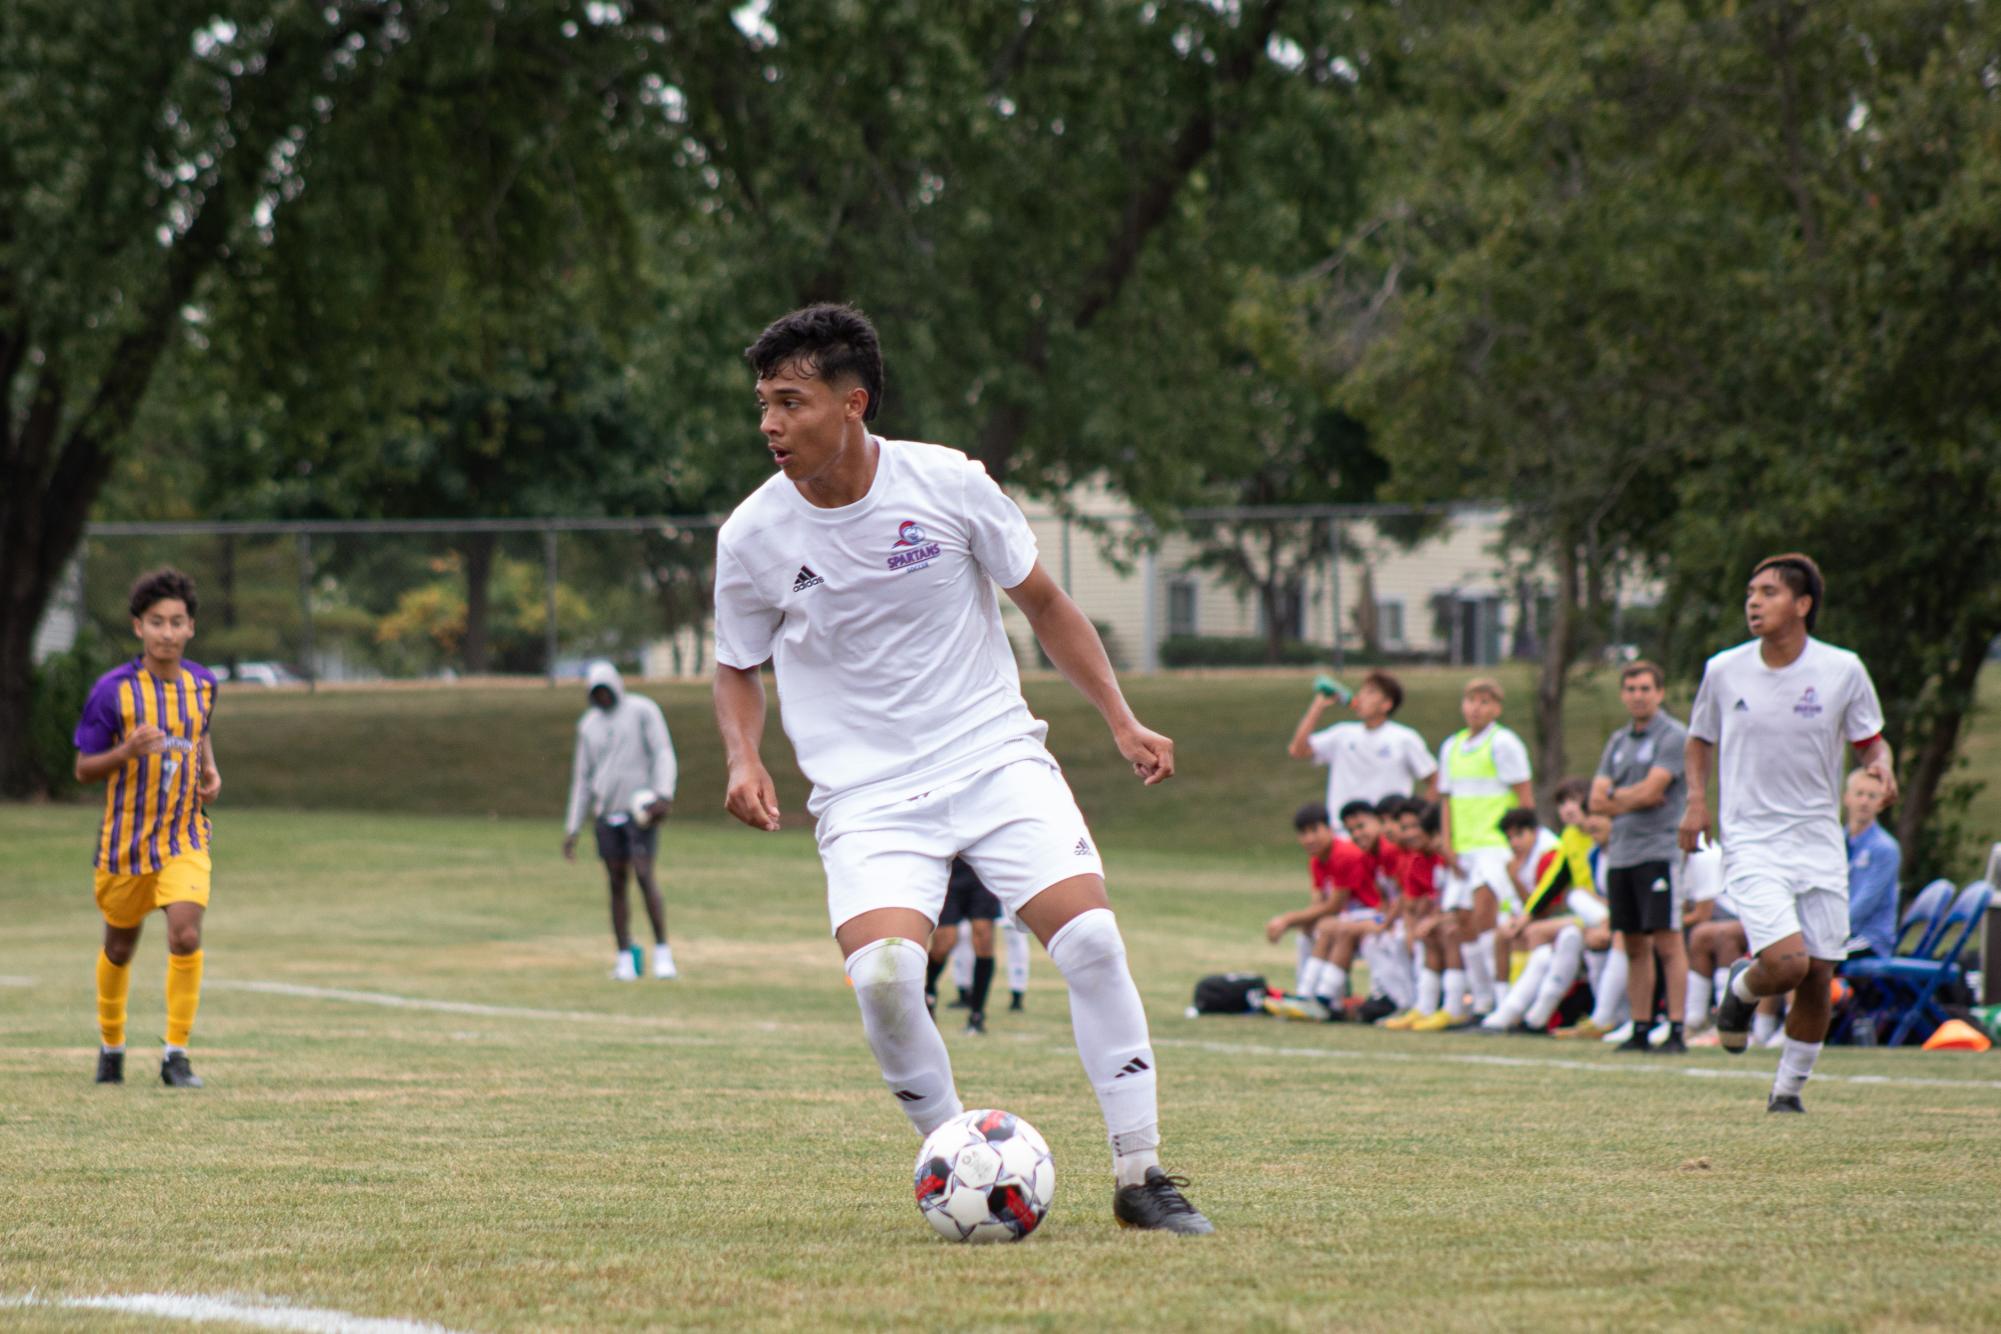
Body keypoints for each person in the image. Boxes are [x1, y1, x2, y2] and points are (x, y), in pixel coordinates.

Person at [711, 304, 1210, 1232]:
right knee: (889, 977)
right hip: (866, 797)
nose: (770, 424)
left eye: (791, 401)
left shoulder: (946, 482)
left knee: (1094, 943)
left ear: (852, 404)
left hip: (993, 757)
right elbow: (736, 663)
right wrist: (744, 757)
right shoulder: (751, 536)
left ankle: (1141, 1175)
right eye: (762, 404)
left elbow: (1047, 603)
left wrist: (1120, 720)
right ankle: (959, 1161)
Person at [1683, 553, 1895, 1113]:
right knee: (1786, 964)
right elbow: (1700, 738)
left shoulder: (1842, 669)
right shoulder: (1724, 669)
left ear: (1802, 605)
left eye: (1769, 592)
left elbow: (1869, 738)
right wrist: (1696, 802)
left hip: (1819, 840)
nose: (1754, 601)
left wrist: (1884, 765)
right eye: (1751, 591)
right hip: (1751, 836)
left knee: (1819, 971)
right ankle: (1744, 988)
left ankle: (1787, 1093)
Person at [72, 569, 222, 1089]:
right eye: (156, 622)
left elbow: (199, 731)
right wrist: (125, 751)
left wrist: (209, 767)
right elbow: (83, 768)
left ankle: (175, 1056)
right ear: (138, 627)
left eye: (176, 622)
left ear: (191, 628)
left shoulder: (204, 684)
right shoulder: (112, 691)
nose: (166, 632)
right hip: (125, 845)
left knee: (184, 932)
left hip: (184, 836)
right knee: (119, 947)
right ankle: (111, 1046)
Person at [1416, 677, 1534, 1028]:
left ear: (1497, 708)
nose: (1476, 708)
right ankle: (1479, 1001)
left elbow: (1524, 798)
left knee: (1486, 920)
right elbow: (1447, 800)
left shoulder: (1505, 743)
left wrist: (1521, 844)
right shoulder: (1451, 745)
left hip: (1494, 847)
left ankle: (1499, 1003)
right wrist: (1448, 845)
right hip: (1465, 849)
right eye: (1471, 700)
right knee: (1463, 924)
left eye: (1485, 702)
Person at [1590, 661, 1691, 1054]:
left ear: (1659, 692)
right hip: (1622, 853)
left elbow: (1654, 792)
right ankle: (1641, 1025)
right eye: (1630, 688)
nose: (1637, 695)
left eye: (1645, 688)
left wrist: (1617, 798)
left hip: (1658, 851)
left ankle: (1678, 1027)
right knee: (1632, 944)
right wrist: (1624, 799)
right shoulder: (1617, 741)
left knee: (1667, 940)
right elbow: (1596, 799)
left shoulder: (1672, 735)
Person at [563, 660, 679, 980]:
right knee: (616, 883)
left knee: (644, 874)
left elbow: (662, 752)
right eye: (595, 693)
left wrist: (663, 794)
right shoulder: (588, 726)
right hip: (606, 813)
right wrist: (572, 827)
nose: (602, 697)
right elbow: (582, 779)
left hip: (639, 813)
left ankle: (663, 953)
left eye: (606, 691)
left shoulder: (642, 711)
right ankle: (624, 956)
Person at [1262, 803, 1377, 1018]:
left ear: (1329, 829)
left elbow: (1334, 905)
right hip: (1349, 916)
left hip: (1371, 912)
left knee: (1328, 927)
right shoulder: (1316, 861)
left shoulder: (1345, 853)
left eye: (1314, 830)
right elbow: (1318, 904)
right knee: (1309, 931)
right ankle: (1306, 995)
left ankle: (1323, 999)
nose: (1309, 839)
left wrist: (1286, 920)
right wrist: (1299, 922)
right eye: (1303, 833)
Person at [1287, 670, 1436, 817]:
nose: (1361, 696)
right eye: (1362, 691)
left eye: (1370, 692)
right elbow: (1297, 750)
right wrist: (1317, 707)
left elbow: (1435, 780)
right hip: (1343, 832)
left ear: (1386, 704)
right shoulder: (1342, 734)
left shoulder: (1404, 738)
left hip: (1386, 833)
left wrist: (1418, 818)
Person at [927, 858, 1001, 1034]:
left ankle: (977, 1013)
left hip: (982, 872)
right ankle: (928, 991)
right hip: (950, 874)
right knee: (944, 942)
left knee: (983, 937)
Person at [1841, 769, 1901, 960]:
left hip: (1870, 938)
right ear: (1847, 798)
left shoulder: (1885, 849)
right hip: (1841, 934)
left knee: (1816, 957)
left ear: (1881, 803)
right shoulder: (1837, 841)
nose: (1864, 801)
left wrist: (1830, 930)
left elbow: (1865, 903)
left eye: (1872, 796)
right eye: (1859, 794)